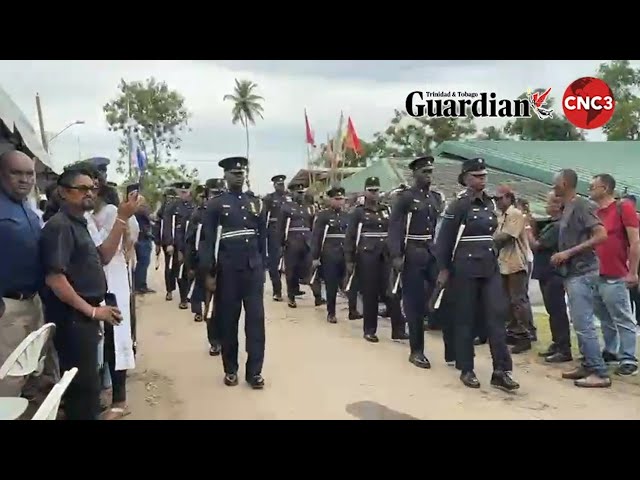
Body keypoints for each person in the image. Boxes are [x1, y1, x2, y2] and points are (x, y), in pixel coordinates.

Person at [40, 164, 136, 419]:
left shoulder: (79, 223)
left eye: (92, 188)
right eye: (81, 189)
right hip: (73, 320)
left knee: (88, 387)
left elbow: (104, 255)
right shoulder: (59, 226)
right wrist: (93, 311)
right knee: (81, 391)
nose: (89, 193)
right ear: (63, 192)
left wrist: (122, 218)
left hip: (85, 318)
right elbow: (55, 279)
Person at [436, 158, 519, 391]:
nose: (482, 179)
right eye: (477, 176)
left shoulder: (491, 204)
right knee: (465, 318)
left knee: (496, 318)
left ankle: (501, 370)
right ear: (465, 178)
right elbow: (444, 241)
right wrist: (443, 269)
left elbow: (495, 235)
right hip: (464, 268)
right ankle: (467, 368)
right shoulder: (458, 205)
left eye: (484, 175)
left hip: (489, 267)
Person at [199, 157, 267, 389]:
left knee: (256, 322)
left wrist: (264, 265)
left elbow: (263, 238)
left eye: (241, 172)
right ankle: (230, 369)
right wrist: (208, 273)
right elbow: (207, 242)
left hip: (253, 270)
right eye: (234, 172)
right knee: (229, 321)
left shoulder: (256, 203)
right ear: (225, 176)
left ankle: (255, 372)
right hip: (227, 271)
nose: (239, 175)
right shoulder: (216, 205)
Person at [0, 150, 57, 399]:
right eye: (16, 173)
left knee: (30, 365)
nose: (24, 179)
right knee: (8, 374)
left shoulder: (27, 207)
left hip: (32, 301)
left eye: (29, 173)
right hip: (7, 307)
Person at [552, 168, 610, 388]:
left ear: (565, 184)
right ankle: (587, 363)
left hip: (583, 272)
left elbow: (601, 235)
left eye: (555, 183)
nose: (553, 187)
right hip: (573, 272)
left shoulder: (582, 205)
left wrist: (568, 253)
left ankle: (599, 371)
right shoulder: (569, 207)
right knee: (579, 322)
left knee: (584, 323)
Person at [90, 184, 139, 419]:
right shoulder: (89, 215)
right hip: (97, 281)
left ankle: (120, 400)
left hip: (113, 280)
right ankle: (104, 391)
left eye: (92, 188)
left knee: (115, 338)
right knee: (101, 341)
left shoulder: (111, 211)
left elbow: (127, 239)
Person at [388, 156, 442, 369]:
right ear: (415, 174)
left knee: (441, 294)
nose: (428, 176)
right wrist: (396, 255)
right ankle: (416, 350)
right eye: (424, 172)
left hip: (431, 252)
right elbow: (395, 227)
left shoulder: (435, 198)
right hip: (412, 252)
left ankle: (451, 347)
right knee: (414, 302)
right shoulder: (405, 198)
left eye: (430, 171)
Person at [345, 176, 407, 343]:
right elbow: (350, 237)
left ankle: (398, 329)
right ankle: (370, 330)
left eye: (376, 190)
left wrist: (396, 253)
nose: (374, 194)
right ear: (365, 191)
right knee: (370, 293)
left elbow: (394, 231)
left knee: (391, 292)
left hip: (385, 255)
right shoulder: (358, 212)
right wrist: (350, 260)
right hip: (367, 256)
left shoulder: (385, 210)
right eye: (371, 190)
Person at [589, 173, 639, 376]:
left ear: (605, 188)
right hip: (595, 273)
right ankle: (611, 349)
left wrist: (633, 272)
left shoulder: (623, 207)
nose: (590, 189)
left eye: (593, 186)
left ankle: (628, 357)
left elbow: (635, 241)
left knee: (622, 316)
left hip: (616, 272)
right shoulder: (594, 212)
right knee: (603, 315)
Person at [528, 191, 572, 363]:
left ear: (557, 205)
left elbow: (537, 245)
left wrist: (527, 230)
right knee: (552, 311)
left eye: (549, 203)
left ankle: (563, 347)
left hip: (553, 273)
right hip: (546, 272)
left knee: (557, 311)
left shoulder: (557, 226)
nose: (546, 206)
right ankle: (557, 343)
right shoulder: (553, 223)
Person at [493, 185, 535, 353]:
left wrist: (486, 239)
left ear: (509, 198)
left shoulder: (516, 214)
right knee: (507, 301)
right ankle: (514, 332)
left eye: (500, 198)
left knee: (518, 301)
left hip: (516, 263)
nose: (497, 202)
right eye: (496, 199)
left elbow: (506, 237)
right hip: (504, 263)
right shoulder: (502, 215)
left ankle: (525, 334)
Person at [186, 179, 225, 356]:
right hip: (207, 266)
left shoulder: (229, 213)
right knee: (210, 306)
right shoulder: (199, 214)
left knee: (227, 307)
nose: (216, 197)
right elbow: (191, 242)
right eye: (213, 193)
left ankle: (226, 339)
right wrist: (191, 265)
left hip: (228, 265)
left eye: (219, 193)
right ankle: (214, 341)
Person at [310, 186, 359, 323]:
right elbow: (317, 237)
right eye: (336, 199)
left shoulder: (348, 216)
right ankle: (331, 312)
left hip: (345, 253)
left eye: (341, 199)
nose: (339, 202)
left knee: (350, 282)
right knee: (331, 284)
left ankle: (352, 310)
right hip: (330, 253)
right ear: (330, 200)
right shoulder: (323, 216)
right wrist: (315, 257)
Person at [277, 181, 323, 308]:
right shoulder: (286, 207)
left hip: (307, 242)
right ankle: (291, 297)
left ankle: (318, 297)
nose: (300, 195)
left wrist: (314, 243)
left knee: (311, 269)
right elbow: (280, 227)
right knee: (291, 271)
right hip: (291, 242)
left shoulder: (308, 207)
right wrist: (281, 244)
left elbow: (313, 225)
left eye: (302, 192)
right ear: (292, 192)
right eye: (298, 192)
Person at [162, 181, 195, 308]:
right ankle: (170, 290)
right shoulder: (172, 206)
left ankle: (184, 297)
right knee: (172, 269)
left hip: (188, 245)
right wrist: (169, 243)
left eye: (185, 192)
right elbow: (167, 225)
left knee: (187, 272)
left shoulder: (193, 207)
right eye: (181, 192)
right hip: (175, 244)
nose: (183, 194)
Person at [262, 175, 289, 301]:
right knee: (274, 263)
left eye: (282, 184)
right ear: (274, 185)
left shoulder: (288, 199)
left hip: (288, 233)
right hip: (274, 233)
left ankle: (292, 291)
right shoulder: (269, 199)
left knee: (289, 263)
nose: (281, 187)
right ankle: (277, 290)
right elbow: (264, 217)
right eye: (279, 185)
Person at [154, 188, 177, 297]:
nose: (170, 200)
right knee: (170, 267)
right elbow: (161, 227)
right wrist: (159, 243)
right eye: (168, 197)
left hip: (181, 242)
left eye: (172, 198)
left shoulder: (180, 207)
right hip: (169, 243)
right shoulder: (164, 210)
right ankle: (169, 290)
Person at [134, 195, 155, 294]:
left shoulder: (134, 210)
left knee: (139, 263)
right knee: (143, 263)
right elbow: (152, 218)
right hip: (144, 239)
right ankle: (141, 286)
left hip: (138, 238)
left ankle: (137, 285)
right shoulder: (142, 209)